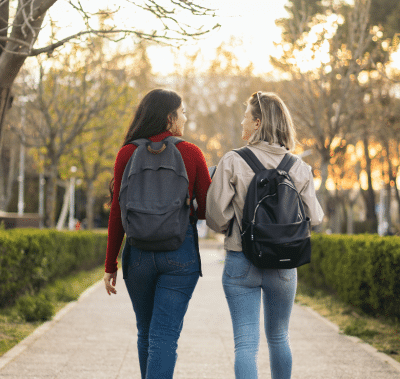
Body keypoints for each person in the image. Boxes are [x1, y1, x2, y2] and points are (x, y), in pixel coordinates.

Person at [206, 91, 323, 379]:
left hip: (241, 260)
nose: (242, 122)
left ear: (257, 122)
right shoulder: (299, 167)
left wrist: (231, 228)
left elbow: (216, 217)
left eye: (245, 117)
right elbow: (316, 217)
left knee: (245, 344)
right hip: (284, 264)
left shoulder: (232, 161)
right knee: (279, 337)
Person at [104, 88, 211, 379]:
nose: (185, 118)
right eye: (183, 112)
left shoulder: (127, 153)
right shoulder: (190, 153)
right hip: (180, 253)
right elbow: (207, 210)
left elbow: (117, 212)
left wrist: (110, 264)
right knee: (164, 335)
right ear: (169, 117)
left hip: (137, 255)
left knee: (146, 332)